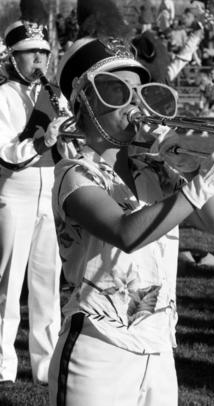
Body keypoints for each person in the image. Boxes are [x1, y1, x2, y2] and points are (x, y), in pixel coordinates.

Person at [48, 35, 214, 406]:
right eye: (115, 90)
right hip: (98, 346)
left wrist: (187, 163)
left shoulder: (154, 168)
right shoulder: (74, 174)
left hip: (159, 348)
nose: (134, 104)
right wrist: (204, 182)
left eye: (140, 92)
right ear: (85, 105)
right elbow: (126, 233)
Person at [0, 3, 71, 384]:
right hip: (14, 194)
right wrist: (42, 141)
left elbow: (67, 147)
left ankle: (46, 365)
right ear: (13, 58)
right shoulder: (4, 96)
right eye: (31, 53)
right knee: (7, 283)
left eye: (43, 52)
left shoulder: (53, 94)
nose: (39, 59)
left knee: (47, 283)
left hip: (49, 195)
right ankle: (2, 365)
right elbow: (6, 153)